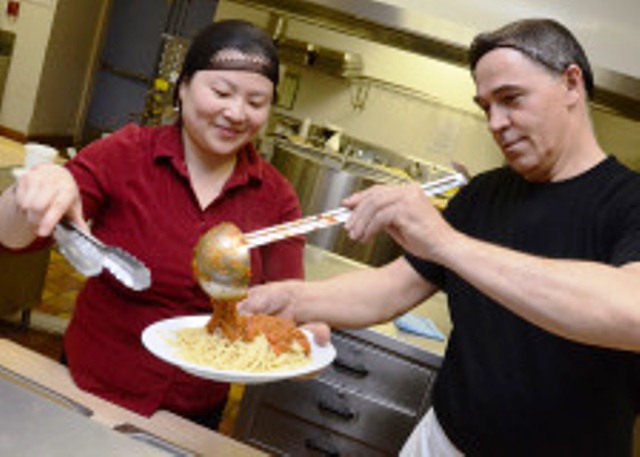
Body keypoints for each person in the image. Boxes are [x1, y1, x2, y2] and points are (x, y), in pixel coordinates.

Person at [238, 18, 640, 456]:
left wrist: (445, 242)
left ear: (571, 84)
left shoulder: (628, 201)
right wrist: (290, 299)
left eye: (510, 98)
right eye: (486, 107)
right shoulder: (484, 193)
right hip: (442, 441)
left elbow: (630, 312)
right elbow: (389, 290)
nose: (496, 123)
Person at [0, 19, 304, 428]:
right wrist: (33, 192)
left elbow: (288, 307)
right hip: (92, 390)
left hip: (193, 412)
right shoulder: (125, 153)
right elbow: (13, 238)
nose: (236, 113)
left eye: (256, 102)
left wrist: (299, 331)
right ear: (184, 86)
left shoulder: (277, 197)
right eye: (221, 92)